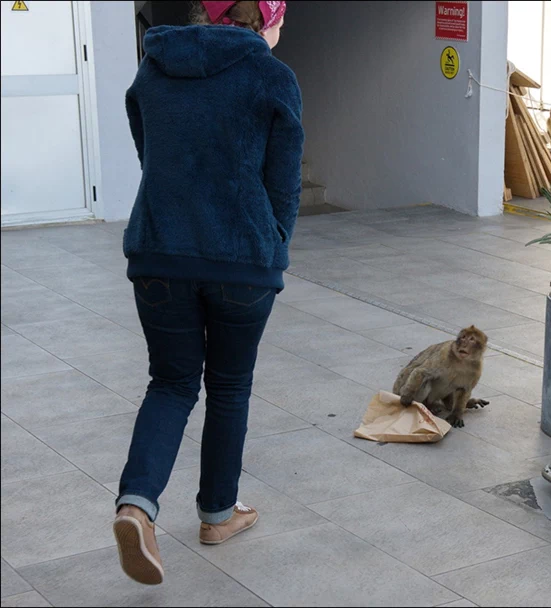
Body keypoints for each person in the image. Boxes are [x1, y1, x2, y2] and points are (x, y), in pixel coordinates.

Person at [113, 0, 303, 586]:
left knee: (170, 383)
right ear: (264, 20)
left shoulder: (153, 66)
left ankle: (136, 507)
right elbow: (285, 178)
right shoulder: (272, 75)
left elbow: (151, 155)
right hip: (240, 261)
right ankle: (218, 514)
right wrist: (274, 246)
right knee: (228, 386)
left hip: (159, 252)